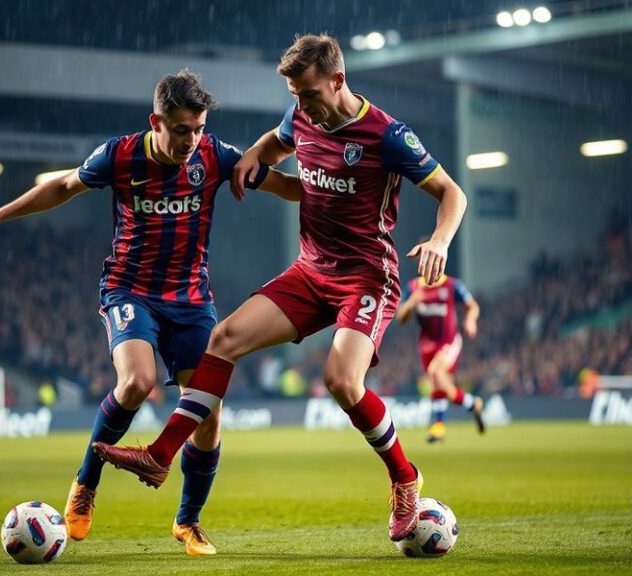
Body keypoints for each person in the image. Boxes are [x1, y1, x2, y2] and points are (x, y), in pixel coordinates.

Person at [93, 34, 468, 543]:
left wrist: (440, 240)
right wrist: (252, 156)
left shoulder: (387, 136)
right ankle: (160, 455)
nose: (300, 106)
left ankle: (404, 476)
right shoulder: (301, 116)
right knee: (223, 340)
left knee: (342, 380)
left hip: (365, 275)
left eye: (308, 93)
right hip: (311, 271)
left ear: (337, 81)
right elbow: (277, 138)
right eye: (293, 95)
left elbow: (451, 191)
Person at [0, 70, 302, 556]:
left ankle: (188, 522)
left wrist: (344, 192)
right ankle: (86, 483)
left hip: (191, 298)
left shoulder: (215, 155)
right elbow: (64, 186)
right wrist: (0, 215)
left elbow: (281, 185)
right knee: (136, 382)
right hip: (129, 290)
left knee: (208, 415)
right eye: (181, 130)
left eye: (198, 129)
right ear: (155, 121)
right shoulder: (119, 154)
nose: (191, 140)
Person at [396, 271, 484, 443]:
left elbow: (473, 306)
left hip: (449, 342)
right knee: (440, 385)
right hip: (426, 346)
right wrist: (412, 302)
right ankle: (467, 407)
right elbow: (401, 318)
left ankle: (463, 409)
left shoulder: (452, 285)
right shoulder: (413, 287)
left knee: (436, 372)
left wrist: (470, 320)